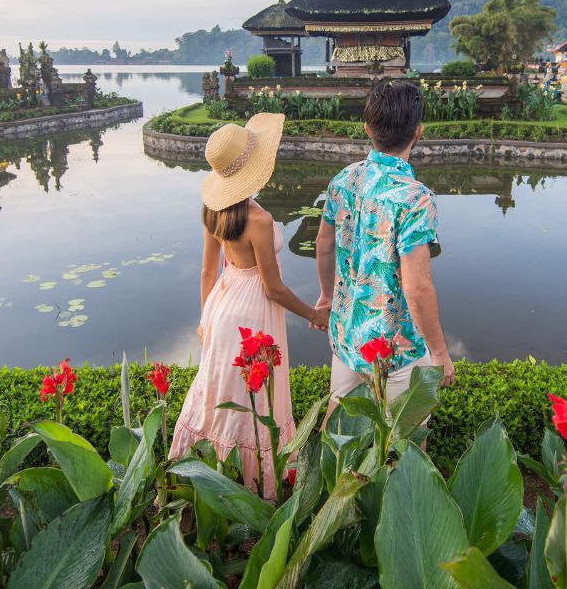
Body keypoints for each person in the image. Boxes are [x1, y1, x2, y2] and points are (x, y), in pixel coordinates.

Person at [169, 112, 328, 499]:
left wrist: (206, 320)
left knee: (218, 390)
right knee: (255, 398)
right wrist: (313, 314)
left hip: (222, 305)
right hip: (253, 311)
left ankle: (208, 474)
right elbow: (273, 288)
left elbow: (208, 271)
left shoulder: (212, 210)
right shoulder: (258, 218)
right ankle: (253, 489)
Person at [314, 81, 455, 406]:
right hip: (397, 345)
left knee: (338, 432)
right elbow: (417, 286)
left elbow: (324, 244)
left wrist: (326, 296)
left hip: (348, 332)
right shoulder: (415, 199)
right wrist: (439, 351)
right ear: (418, 132)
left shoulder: (344, 180)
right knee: (405, 444)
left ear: (367, 128)